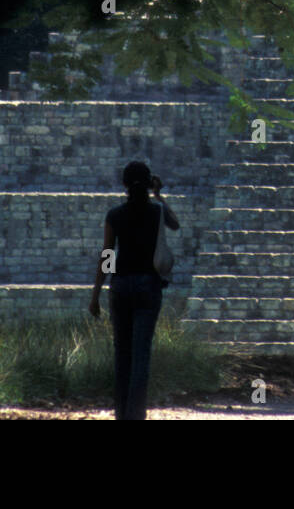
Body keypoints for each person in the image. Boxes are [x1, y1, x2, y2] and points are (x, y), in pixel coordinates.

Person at [89, 161, 180, 420]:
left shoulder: (115, 215)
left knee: (123, 356)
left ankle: (122, 415)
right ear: (149, 182)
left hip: (120, 287)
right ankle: (135, 416)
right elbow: (176, 224)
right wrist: (158, 194)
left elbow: (107, 254)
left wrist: (96, 293)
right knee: (141, 356)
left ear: (124, 185)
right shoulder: (156, 211)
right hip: (148, 286)